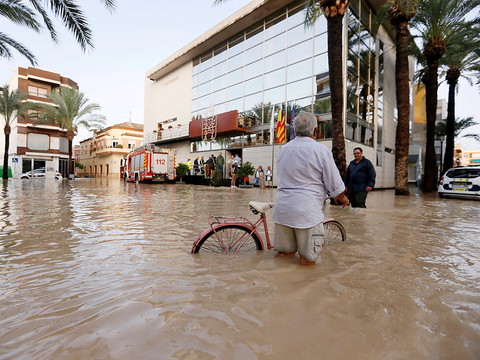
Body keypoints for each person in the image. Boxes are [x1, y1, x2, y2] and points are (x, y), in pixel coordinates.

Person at [273, 112, 349, 266]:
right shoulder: (320, 150)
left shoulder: (284, 150)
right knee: (307, 259)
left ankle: (280, 286)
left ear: (294, 131)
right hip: (306, 212)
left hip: (283, 209)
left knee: (285, 255)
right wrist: (341, 197)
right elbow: (334, 182)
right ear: (315, 131)